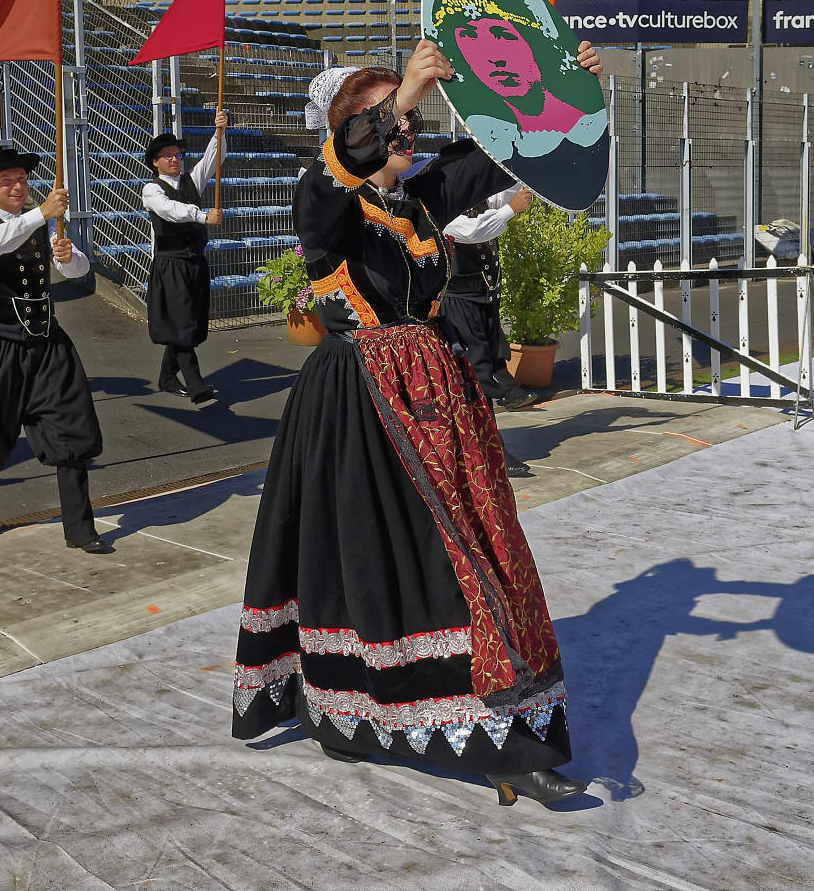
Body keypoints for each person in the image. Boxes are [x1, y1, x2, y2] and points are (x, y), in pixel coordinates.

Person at [231, 41, 602, 809]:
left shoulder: (422, 199)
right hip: (359, 402)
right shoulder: (324, 201)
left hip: (435, 395)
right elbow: (337, 176)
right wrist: (401, 97)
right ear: (346, 128)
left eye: (401, 115)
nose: (404, 126)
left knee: (472, 547)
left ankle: (505, 732)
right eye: (381, 115)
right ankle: (358, 708)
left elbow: (509, 151)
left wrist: (565, 90)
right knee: (382, 555)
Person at [0, 149, 108, 552]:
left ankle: (80, 527)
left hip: (46, 340)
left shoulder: (37, 222)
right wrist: (41, 214)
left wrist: (71, 259)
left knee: (71, 427)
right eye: (7, 181)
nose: (18, 187)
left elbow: (77, 270)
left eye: (21, 179)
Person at [141, 111, 227, 403]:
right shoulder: (152, 189)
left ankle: (167, 376)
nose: (175, 158)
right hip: (170, 264)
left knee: (188, 321)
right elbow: (170, 211)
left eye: (177, 154)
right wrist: (203, 216)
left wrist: (219, 132)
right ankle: (195, 384)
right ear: (156, 161)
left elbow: (212, 160)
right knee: (181, 324)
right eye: (167, 155)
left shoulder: (192, 181)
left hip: (194, 263)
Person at [441, 186, 540, 414]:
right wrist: (510, 209)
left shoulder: (479, 198)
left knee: (494, 351)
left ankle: (505, 395)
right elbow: (474, 230)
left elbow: (499, 198)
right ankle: (494, 402)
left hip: (485, 293)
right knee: (475, 359)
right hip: (460, 297)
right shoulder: (443, 205)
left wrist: (519, 184)